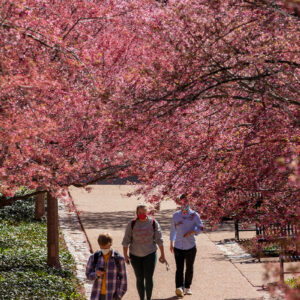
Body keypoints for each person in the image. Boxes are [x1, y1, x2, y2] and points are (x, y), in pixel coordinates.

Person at [122, 204, 166, 300]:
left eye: (144, 212)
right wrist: (125, 255)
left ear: (147, 212)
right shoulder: (132, 224)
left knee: (149, 277)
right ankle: (142, 298)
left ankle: (148, 298)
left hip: (150, 254)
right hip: (135, 255)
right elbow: (126, 241)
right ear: (137, 213)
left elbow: (159, 239)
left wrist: (163, 254)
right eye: (140, 212)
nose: (142, 214)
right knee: (139, 278)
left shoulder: (153, 223)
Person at [170, 202, 203, 297]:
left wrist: (192, 231)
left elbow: (200, 227)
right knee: (179, 268)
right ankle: (179, 287)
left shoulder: (194, 215)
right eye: (182, 203)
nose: (184, 205)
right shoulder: (176, 215)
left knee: (189, 267)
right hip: (178, 246)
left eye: (186, 203)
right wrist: (171, 243)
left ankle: (187, 287)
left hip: (190, 246)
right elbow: (173, 229)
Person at [86, 233, 127, 300]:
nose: (104, 249)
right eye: (102, 247)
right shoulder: (94, 257)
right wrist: (96, 274)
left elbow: (124, 280)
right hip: (97, 295)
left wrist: (118, 296)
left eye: (106, 247)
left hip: (112, 296)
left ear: (110, 244)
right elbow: (88, 275)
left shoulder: (119, 259)